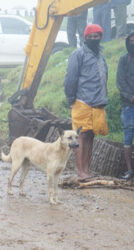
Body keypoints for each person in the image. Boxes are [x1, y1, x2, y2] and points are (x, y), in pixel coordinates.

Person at [64, 24, 109, 182]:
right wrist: (70, 98)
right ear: (85, 37)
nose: (93, 39)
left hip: (97, 103)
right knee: (81, 136)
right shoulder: (78, 54)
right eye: (90, 36)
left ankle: (87, 171)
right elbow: (71, 78)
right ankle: (80, 172)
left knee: (90, 135)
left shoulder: (100, 56)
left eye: (96, 36)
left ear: (100, 37)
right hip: (82, 101)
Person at [116, 32, 134, 180]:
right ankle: (130, 171)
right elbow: (120, 82)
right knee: (128, 137)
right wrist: (130, 96)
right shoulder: (124, 59)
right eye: (131, 41)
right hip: (128, 105)